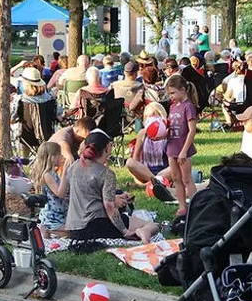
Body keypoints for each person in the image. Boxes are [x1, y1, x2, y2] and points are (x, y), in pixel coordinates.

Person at [59, 129, 160, 242]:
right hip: (95, 225)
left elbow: (68, 195)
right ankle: (144, 232)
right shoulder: (106, 174)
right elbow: (110, 207)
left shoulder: (74, 166)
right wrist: (124, 231)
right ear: (107, 148)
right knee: (153, 225)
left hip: (73, 229)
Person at [125, 102, 176, 203]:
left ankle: (155, 184)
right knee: (129, 162)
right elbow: (136, 159)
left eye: (153, 115)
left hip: (164, 171)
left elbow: (173, 160)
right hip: (146, 173)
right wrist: (137, 178)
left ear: (161, 115)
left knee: (176, 165)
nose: (151, 118)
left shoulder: (169, 132)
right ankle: (156, 183)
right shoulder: (142, 133)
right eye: (148, 116)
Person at [164, 75, 198, 215]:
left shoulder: (188, 107)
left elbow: (192, 130)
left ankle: (196, 207)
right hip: (172, 147)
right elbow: (170, 127)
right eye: (169, 93)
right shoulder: (172, 107)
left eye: (173, 93)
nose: (170, 96)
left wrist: (184, 151)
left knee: (186, 179)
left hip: (183, 147)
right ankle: (182, 207)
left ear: (183, 90)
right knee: (176, 179)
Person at [29, 142, 69, 237]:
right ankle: (47, 231)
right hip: (52, 217)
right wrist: (65, 172)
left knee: (75, 231)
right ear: (51, 157)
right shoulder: (47, 175)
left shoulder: (53, 173)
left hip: (59, 214)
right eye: (59, 154)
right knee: (72, 233)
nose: (62, 156)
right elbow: (60, 193)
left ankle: (49, 231)